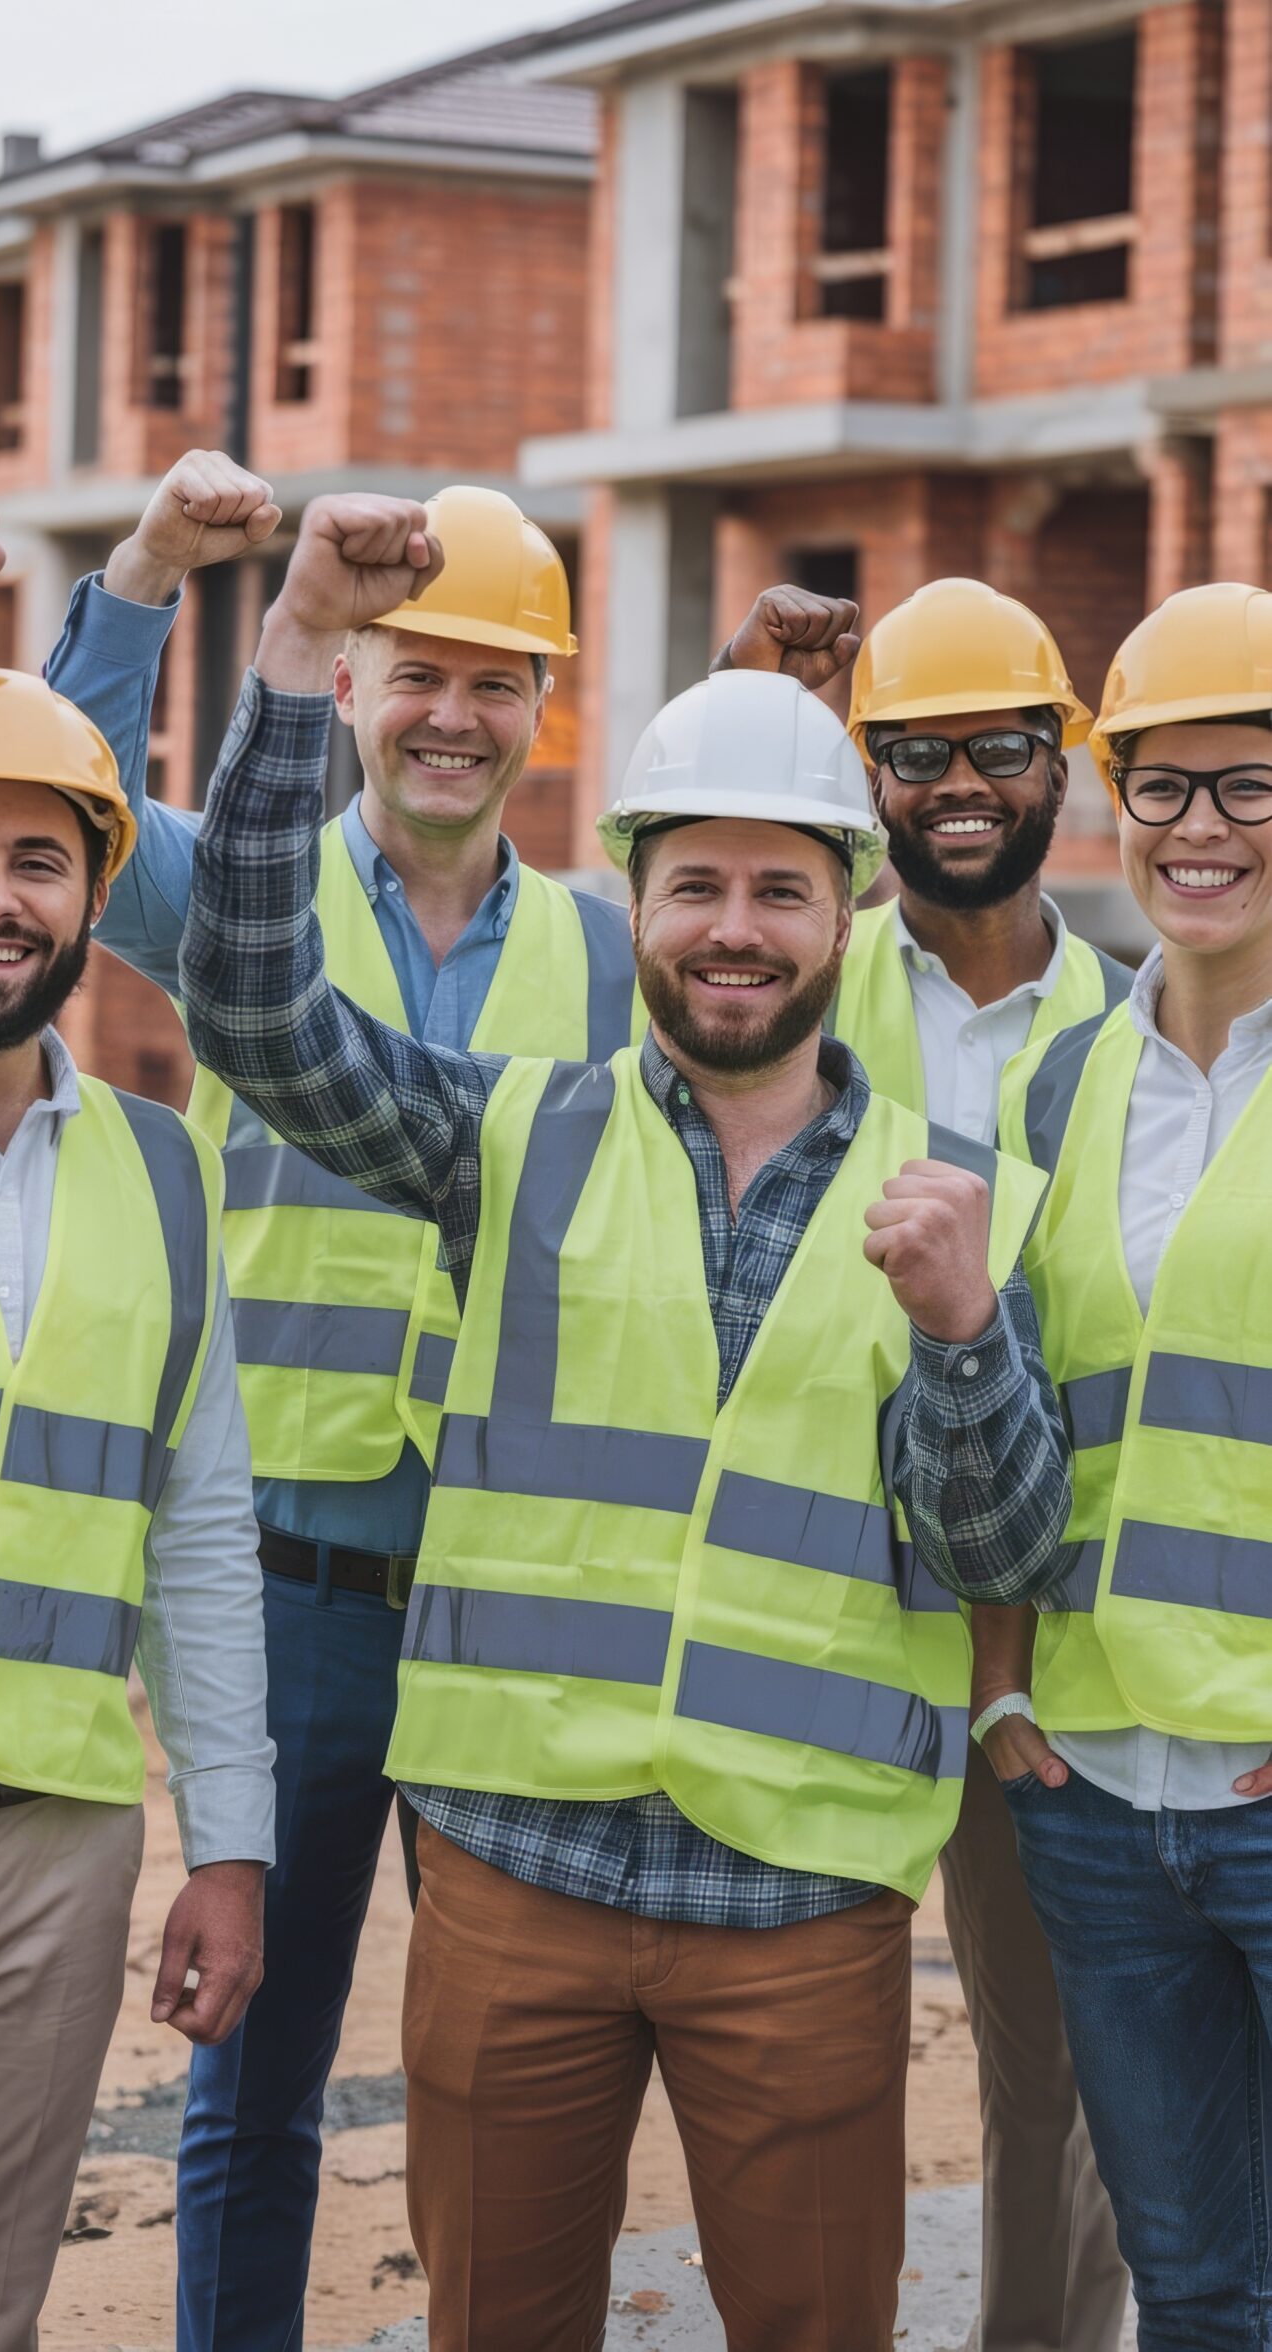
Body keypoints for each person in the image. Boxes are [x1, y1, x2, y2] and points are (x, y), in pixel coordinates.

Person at [177, 491, 1073, 2352]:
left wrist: (970, 1339)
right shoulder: (508, 1136)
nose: (734, 933)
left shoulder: (960, 1200)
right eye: (696, 886)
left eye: (781, 889)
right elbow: (255, 1002)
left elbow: (998, 1553)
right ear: (639, 898)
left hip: (807, 1909)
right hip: (519, 1885)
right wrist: (290, 649)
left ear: (851, 905)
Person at [44, 456, 646, 2351]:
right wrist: (147, 568)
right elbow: (40, 787)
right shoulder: (245, 880)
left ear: (544, 707)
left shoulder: (613, 955)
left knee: (500, 2087)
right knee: (259, 2078)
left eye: (496, 680)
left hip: (506, 1593)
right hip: (288, 1592)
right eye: (419, 671)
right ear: (362, 684)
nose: (454, 715)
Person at [0, 484, 275, 2352]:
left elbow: (196, 1534)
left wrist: (231, 1846)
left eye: (38, 858)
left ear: (101, 894)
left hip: (54, 1848)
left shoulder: (166, 1177)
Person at [725, 572, 1133, 2352]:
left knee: (1063, 2090)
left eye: (999, 746)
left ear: (1062, 766)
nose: (958, 781)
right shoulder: (792, 987)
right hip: (802, 1629)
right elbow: (672, 932)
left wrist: (1013, 1664)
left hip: (1027, 1662)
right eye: (911, 752)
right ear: (863, 773)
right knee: (779, 2081)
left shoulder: (1140, 1033)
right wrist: (747, 699)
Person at [979, 581, 1272, 2350]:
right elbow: (1022, 1415)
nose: (1201, 830)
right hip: (1096, 1793)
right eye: (1165, 788)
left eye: (1251, 786)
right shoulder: (1064, 1083)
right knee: (1195, 2292)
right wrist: (1011, 1696)